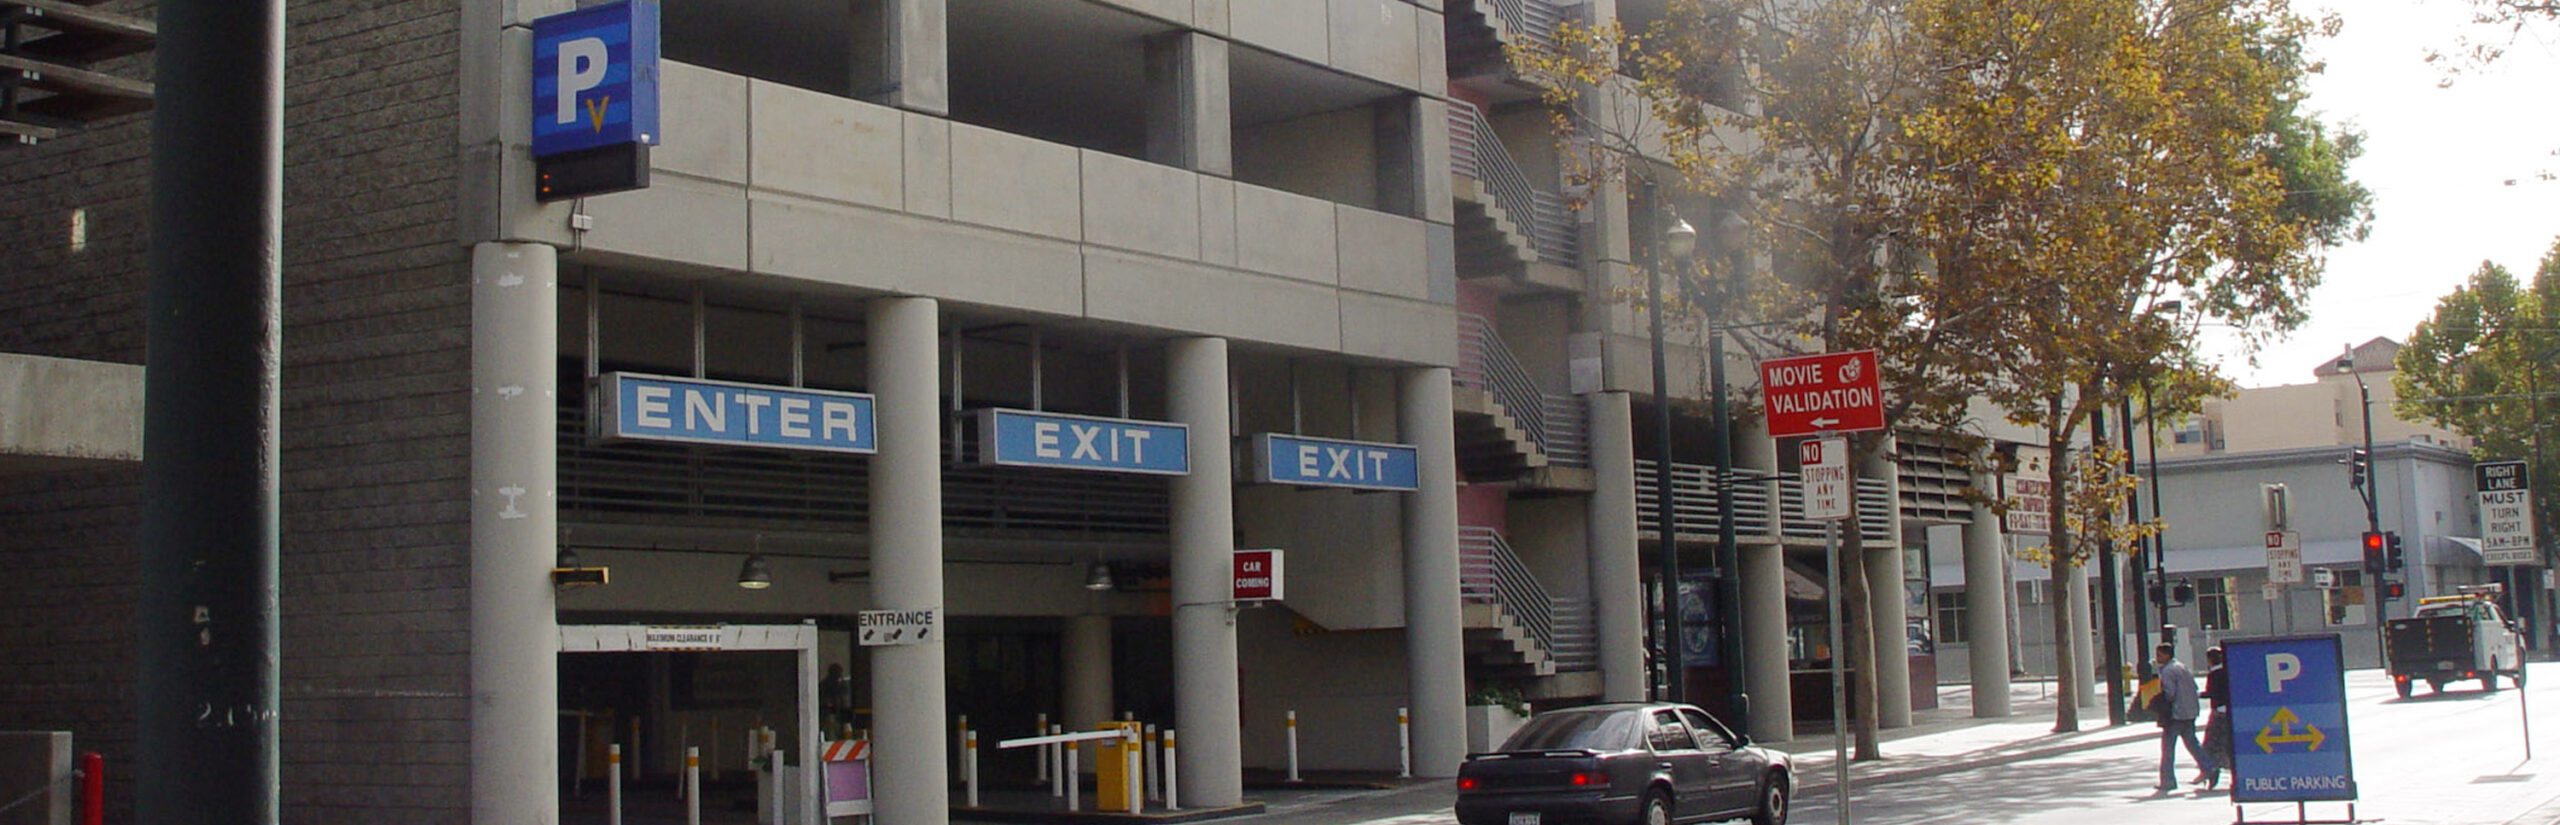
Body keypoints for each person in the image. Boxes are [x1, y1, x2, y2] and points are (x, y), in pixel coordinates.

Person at [2151, 643, 2207, 792]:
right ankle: (2209, 767)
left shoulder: (2168, 671)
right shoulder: (2182, 667)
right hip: (2189, 712)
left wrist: (2156, 701)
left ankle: (2168, 780)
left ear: (2167, 655)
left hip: (2175, 715)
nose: (2157, 658)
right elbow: (2194, 688)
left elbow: (2170, 694)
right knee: (2192, 743)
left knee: (2168, 749)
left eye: (2160, 655)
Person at [2196, 647, 2229, 789]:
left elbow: (2212, 693)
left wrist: (2199, 695)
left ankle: (2211, 770)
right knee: (2227, 743)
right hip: (2229, 712)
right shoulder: (2228, 671)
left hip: (2218, 712)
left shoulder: (2214, 674)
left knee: (2211, 743)